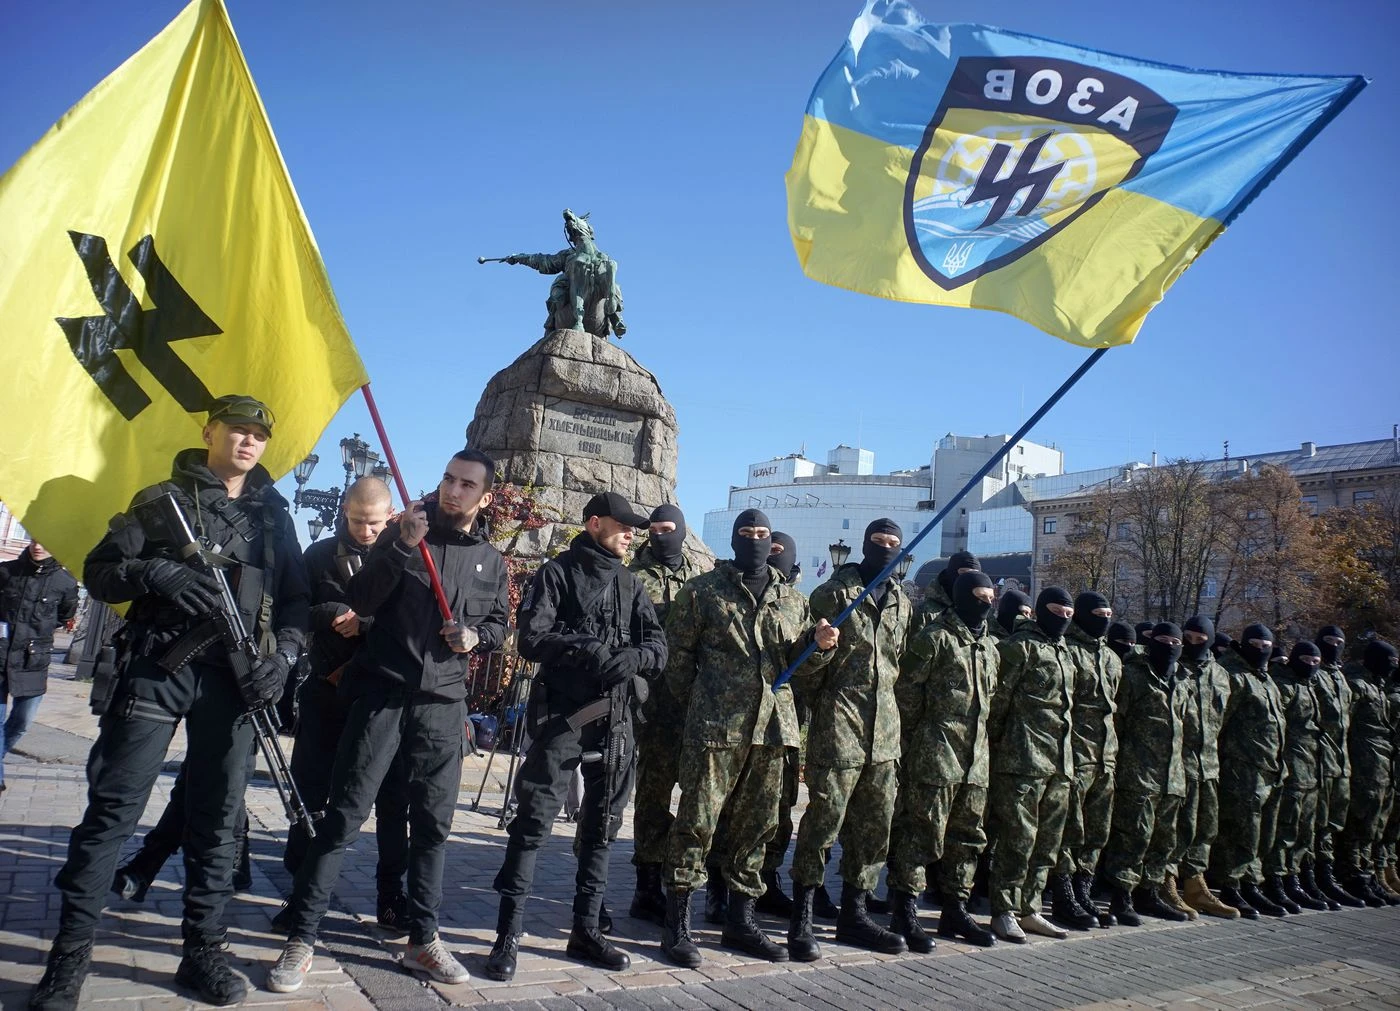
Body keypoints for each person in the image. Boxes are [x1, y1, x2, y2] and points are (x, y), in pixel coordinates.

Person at [31, 395, 308, 1010]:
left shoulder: (273, 518)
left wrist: (284, 658)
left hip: (235, 681)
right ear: (209, 432)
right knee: (113, 811)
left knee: (217, 820)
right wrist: (153, 574)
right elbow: (101, 571)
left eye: (258, 435)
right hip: (158, 667)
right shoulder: (163, 501)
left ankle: (202, 950)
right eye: (236, 430)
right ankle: (69, 958)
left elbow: (296, 600)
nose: (248, 441)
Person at [267, 449, 508, 993]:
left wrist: (476, 637)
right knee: (343, 817)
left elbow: (498, 625)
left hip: (443, 707)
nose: (453, 491)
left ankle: (424, 939)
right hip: (382, 697)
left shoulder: (491, 560)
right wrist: (400, 546)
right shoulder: (405, 535)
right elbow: (362, 598)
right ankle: (302, 936)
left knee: (432, 827)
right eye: (448, 479)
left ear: (485, 496)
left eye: (467, 485)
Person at [482, 491, 666, 981]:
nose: (630, 535)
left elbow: (657, 646)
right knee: (532, 824)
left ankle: (586, 929)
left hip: (617, 720)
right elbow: (532, 638)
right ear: (594, 524)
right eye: (622, 526)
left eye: (634, 529)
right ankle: (507, 935)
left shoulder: (630, 583)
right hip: (564, 717)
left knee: (602, 826)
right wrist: (585, 648)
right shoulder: (556, 574)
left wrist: (636, 658)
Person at [659, 509, 838, 968]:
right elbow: (677, 659)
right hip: (716, 728)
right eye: (746, 533)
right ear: (735, 539)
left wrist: (819, 646)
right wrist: (703, 702)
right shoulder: (702, 592)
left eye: (762, 534)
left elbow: (797, 666)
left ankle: (741, 920)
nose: (755, 540)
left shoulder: (792, 600)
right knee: (697, 822)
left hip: (772, 731)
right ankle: (677, 925)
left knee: (757, 827)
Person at [280, 477, 412, 931]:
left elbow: (413, 621)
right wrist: (333, 613)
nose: (366, 531)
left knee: (393, 801)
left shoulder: (408, 555)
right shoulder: (318, 555)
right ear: (344, 513)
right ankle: (299, 892)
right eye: (357, 521)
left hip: (382, 697)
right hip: (328, 691)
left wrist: (367, 623)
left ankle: (391, 896)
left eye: (374, 523)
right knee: (310, 792)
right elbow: (293, 611)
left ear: (390, 516)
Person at [789, 520, 911, 960]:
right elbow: (804, 668)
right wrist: (819, 648)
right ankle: (803, 915)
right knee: (824, 822)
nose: (886, 549)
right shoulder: (833, 594)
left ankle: (855, 914)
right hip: (839, 724)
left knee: (875, 826)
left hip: (885, 732)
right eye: (878, 542)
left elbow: (898, 665)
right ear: (864, 545)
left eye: (894, 544)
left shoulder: (901, 601)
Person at [887, 570, 1000, 949]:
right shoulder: (934, 639)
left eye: (991, 598)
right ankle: (905, 909)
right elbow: (906, 696)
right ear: (963, 597)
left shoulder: (990, 648)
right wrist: (919, 742)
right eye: (979, 597)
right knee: (921, 833)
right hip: (935, 755)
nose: (986, 604)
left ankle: (955, 909)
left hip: (975, 762)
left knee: (967, 838)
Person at [627, 504, 709, 926]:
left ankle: (684, 879)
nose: (660, 536)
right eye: (655, 529)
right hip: (654, 704)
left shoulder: (700, 578)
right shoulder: (632, 577)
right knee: (653, 795)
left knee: (699, 795)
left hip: (696, 703)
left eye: (668, 529)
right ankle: (646, 887)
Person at [986, 586, 1076, 943]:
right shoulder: (1018, 648)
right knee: (1017, 839)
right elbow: (998, 704)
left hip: (1059, 762)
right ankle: (1004, 910)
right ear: (1040, 611)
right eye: (1057, 611)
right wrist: (1001, 749)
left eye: (1069, 615)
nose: (1063, 619)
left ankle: (1030, 907)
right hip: (1022, 759)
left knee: (1047, 842)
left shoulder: (1064, 651)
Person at [1100, 623, 1192, 925]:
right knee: (1133, 837)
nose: (1170, 647)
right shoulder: (1134, 676)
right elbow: (1117, 722)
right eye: (1163, 640)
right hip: (1137, 772)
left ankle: (1149, 893)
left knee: (1163, 839)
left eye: (1175, 642)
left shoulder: (1182, 680)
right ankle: (1121, 897)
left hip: (1172, 776)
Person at [1209, 624, 1289, 918]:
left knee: (1262, 832)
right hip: (1241, 767)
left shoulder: (1264, 678)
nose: (1261, 650)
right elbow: (1218, 723)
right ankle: (1232, 885)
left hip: (1269, 767)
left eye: (1266, 645)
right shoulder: (1233, 676)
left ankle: (1252, 883)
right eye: (1255, 644)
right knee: (1240, 830)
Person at [1053, 591, 1122, 930]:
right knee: (1070, 828)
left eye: (1108, 614)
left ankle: (1084, 890)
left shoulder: (1111, 658)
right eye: (1098, 614)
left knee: (1097, 829)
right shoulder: (1068, 651)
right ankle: (1064, 893)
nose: (1104, 620)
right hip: (1076, 753)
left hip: (1105, 756)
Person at [1173, 616, 1239, 919]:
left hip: (1209, 764)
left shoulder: (1221, 675)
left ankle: (1196, 885)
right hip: (1177, 763)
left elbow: (1224, 722)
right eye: (1188, 638)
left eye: (1200, 639)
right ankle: (1167, 883)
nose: (1193, 644)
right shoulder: (1173, 668)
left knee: (1205, 827)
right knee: (1177, 828)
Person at [0, 542, 79, 791]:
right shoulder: (6, 572)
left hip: (32, 661)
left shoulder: (65, 582)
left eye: (44, 542)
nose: (37, 546)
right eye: (34, 540)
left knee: (22, 721)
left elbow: (64, 615)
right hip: (1, 655)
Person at [1266, 640, 1331, 912]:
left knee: (1306, 829)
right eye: (1306, 660)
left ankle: (1300, 879)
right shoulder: (1284, 686)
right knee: (1285, 828)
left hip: (1312, 767)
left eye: (1316, 662)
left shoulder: (1311, 686)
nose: (1311, 666)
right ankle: (1278, 881)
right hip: (1290, 766)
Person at [1340, 641, 1397, 905]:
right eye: (1389, 661)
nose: (1392, 667)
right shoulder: (1357, 686)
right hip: (1362, 764)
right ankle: (1354, 874)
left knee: (1376, 822)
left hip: (1381, 763)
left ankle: (1370, 872)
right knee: (1360, 821)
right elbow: (1344, 726)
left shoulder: (1378, 686)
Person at [1312, 626, 1362, 906]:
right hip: (1318, 761)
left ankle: (1331, 874)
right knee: (1314, 824)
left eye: (1339, 642)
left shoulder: (1341, 678)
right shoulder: (1314, 676)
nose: (1334, 646)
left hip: (1341, 762)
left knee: (1334, 822)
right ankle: (1315, 877)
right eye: (1329, 641)